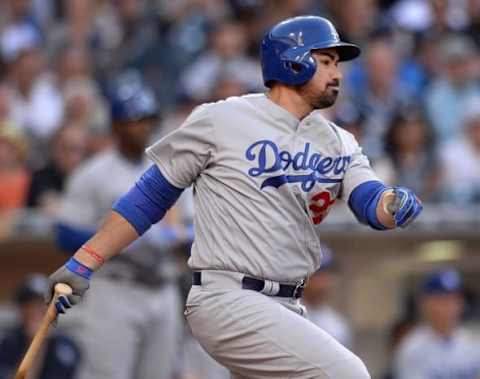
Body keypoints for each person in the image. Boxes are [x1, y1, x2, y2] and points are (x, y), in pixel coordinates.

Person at [45, 16, 423, 379]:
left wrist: (392, 203)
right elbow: (149, 198)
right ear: (293, 63)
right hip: (228, 297)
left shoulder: (339, 141)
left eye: (336, 64)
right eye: (325, 61)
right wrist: (85, 261)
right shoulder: (222, 119)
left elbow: (369, 201)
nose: (337, 74)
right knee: (347, 373)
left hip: (287, 304)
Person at [52, 71, 187, 379]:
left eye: (147, 119)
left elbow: (194, 228)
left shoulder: (170, 169)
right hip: (115, 287)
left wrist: (177, 237)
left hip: (162, 286)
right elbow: (64, 233)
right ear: (116, 125)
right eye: (135, 119)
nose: (144, 126)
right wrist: (119, 240)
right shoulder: (93, 173)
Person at [393, 269, 480, 379]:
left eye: (454, 298)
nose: (450, 306)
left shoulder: (473, 342)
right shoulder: (412, 348)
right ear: (426, 304)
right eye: (442, 300)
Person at [0, 274, 80, 379]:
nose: (35, 310)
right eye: (29, 304)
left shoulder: (65, 346)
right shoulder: (8, 343)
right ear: (20, 309)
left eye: (41, 304)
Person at [302, 245, 353, 348]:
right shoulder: (285, 310)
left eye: (327, 274)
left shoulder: (336, 324)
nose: (324, 281)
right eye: (318, 274)